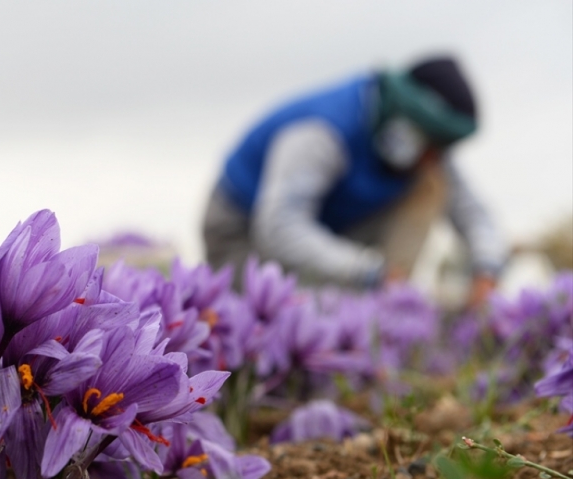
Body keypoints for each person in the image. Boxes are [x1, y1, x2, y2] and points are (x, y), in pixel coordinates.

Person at [203, 55, 506, 305]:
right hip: (243, 231)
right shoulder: (324, 131)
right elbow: (279, 227)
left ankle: (390, 304)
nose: (434, 161)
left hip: (329, 232)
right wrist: (365, 272)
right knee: (275, 319)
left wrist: (486, 268)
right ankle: (369, 298)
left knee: (431, 186)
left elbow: (471, 210)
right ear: (405, 122)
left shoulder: (423, 149)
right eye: (432, 148)